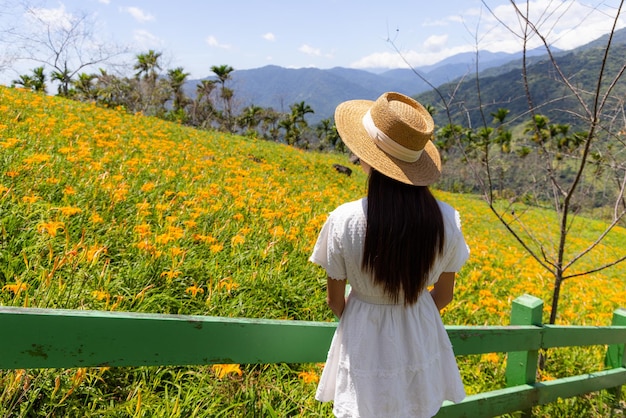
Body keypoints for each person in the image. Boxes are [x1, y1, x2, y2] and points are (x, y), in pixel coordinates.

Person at [309, 92, 470, 417]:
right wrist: (408, 311)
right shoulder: (447, 220)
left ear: (369, 157)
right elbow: (444, 295)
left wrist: (368, 316)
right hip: (420, 328)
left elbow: (334, 301)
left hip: (363, 332)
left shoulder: (344, 219)